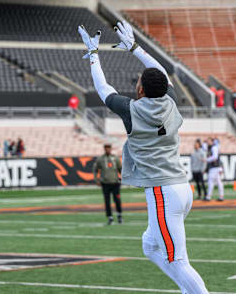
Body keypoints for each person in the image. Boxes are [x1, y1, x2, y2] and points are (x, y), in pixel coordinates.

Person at [79, 21, 208, 293]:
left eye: (138, 81)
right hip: (181, 187)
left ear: (140, 90)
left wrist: (93, 55)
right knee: (150, 246)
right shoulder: (171, 100)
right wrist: (136, 48)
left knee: (179, 260)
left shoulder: (132, 110)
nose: (137, 82)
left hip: (162, 191)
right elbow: (163, 74)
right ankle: (188, 290)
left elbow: (104, 89)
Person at [92, 143, 123, 225]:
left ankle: (119, 215)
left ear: (111, 149)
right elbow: (95, 169)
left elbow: (120, 169)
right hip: (105, 183)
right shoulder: (100, 159)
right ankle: (110, 217)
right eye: (106, 148)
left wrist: (123, 177)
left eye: (109, 148)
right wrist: (96, 179)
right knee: (107, 201)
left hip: (115, 182)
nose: (108, 150)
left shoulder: (115, 158)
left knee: (117, 200)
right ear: (104, 149)